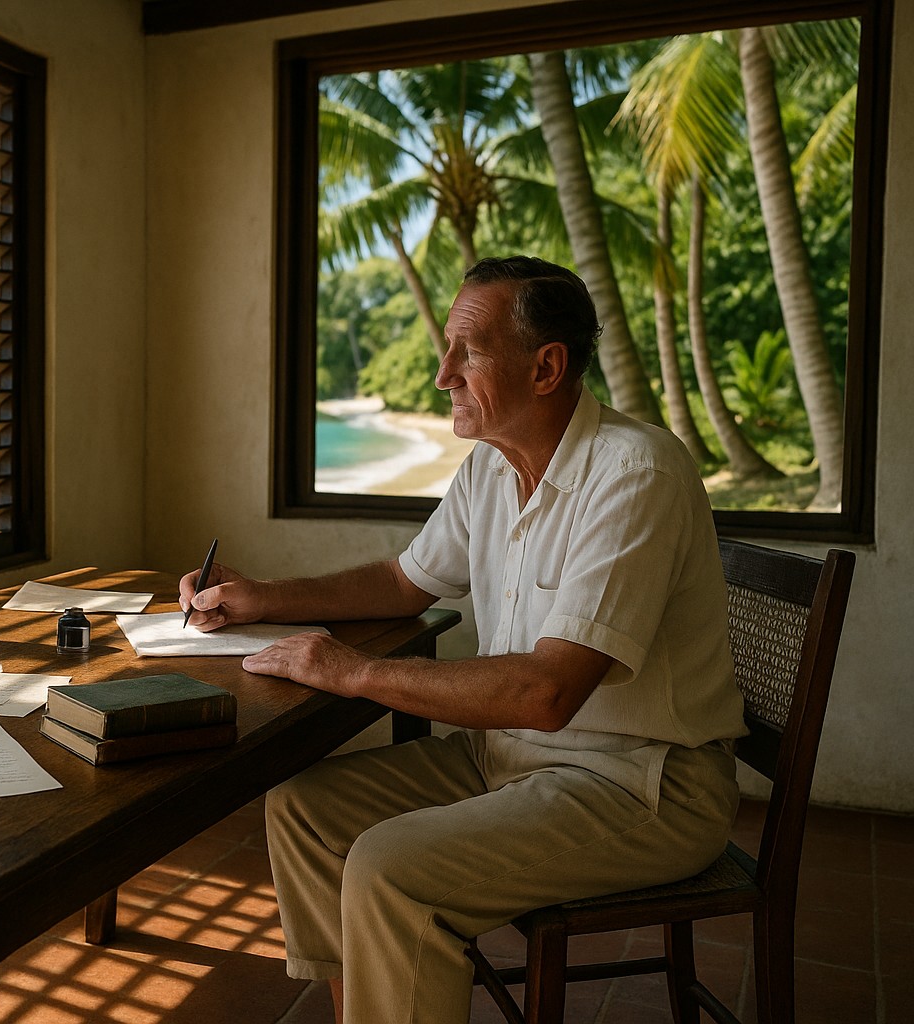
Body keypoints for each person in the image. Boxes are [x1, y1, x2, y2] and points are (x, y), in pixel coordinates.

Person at [179, 256, 746, 1024]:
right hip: (507, 759)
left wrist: (350, 671)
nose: (442, 373)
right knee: (304, 811)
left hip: (641, 784)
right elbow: (403, 581)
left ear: (546, 368)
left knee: (389, 869)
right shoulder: (490, 467)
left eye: (467, 353)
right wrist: (261, 597)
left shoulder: (635, 473)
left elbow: (547, 692)